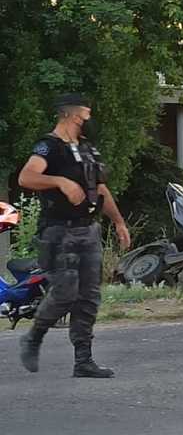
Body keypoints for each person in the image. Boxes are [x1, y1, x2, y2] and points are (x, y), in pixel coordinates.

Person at [17, 93, 131, 378]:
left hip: (88, 229)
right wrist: (60, 180)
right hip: (59, 231)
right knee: (65, 292)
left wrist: (118, 222)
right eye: (84, 116)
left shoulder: (87, 149)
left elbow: (100, 189)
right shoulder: (49, 147)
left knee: (88, 298)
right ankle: (34, 336)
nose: (88, 121)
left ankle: (83, 360)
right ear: (68, 115)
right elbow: (26, 177)